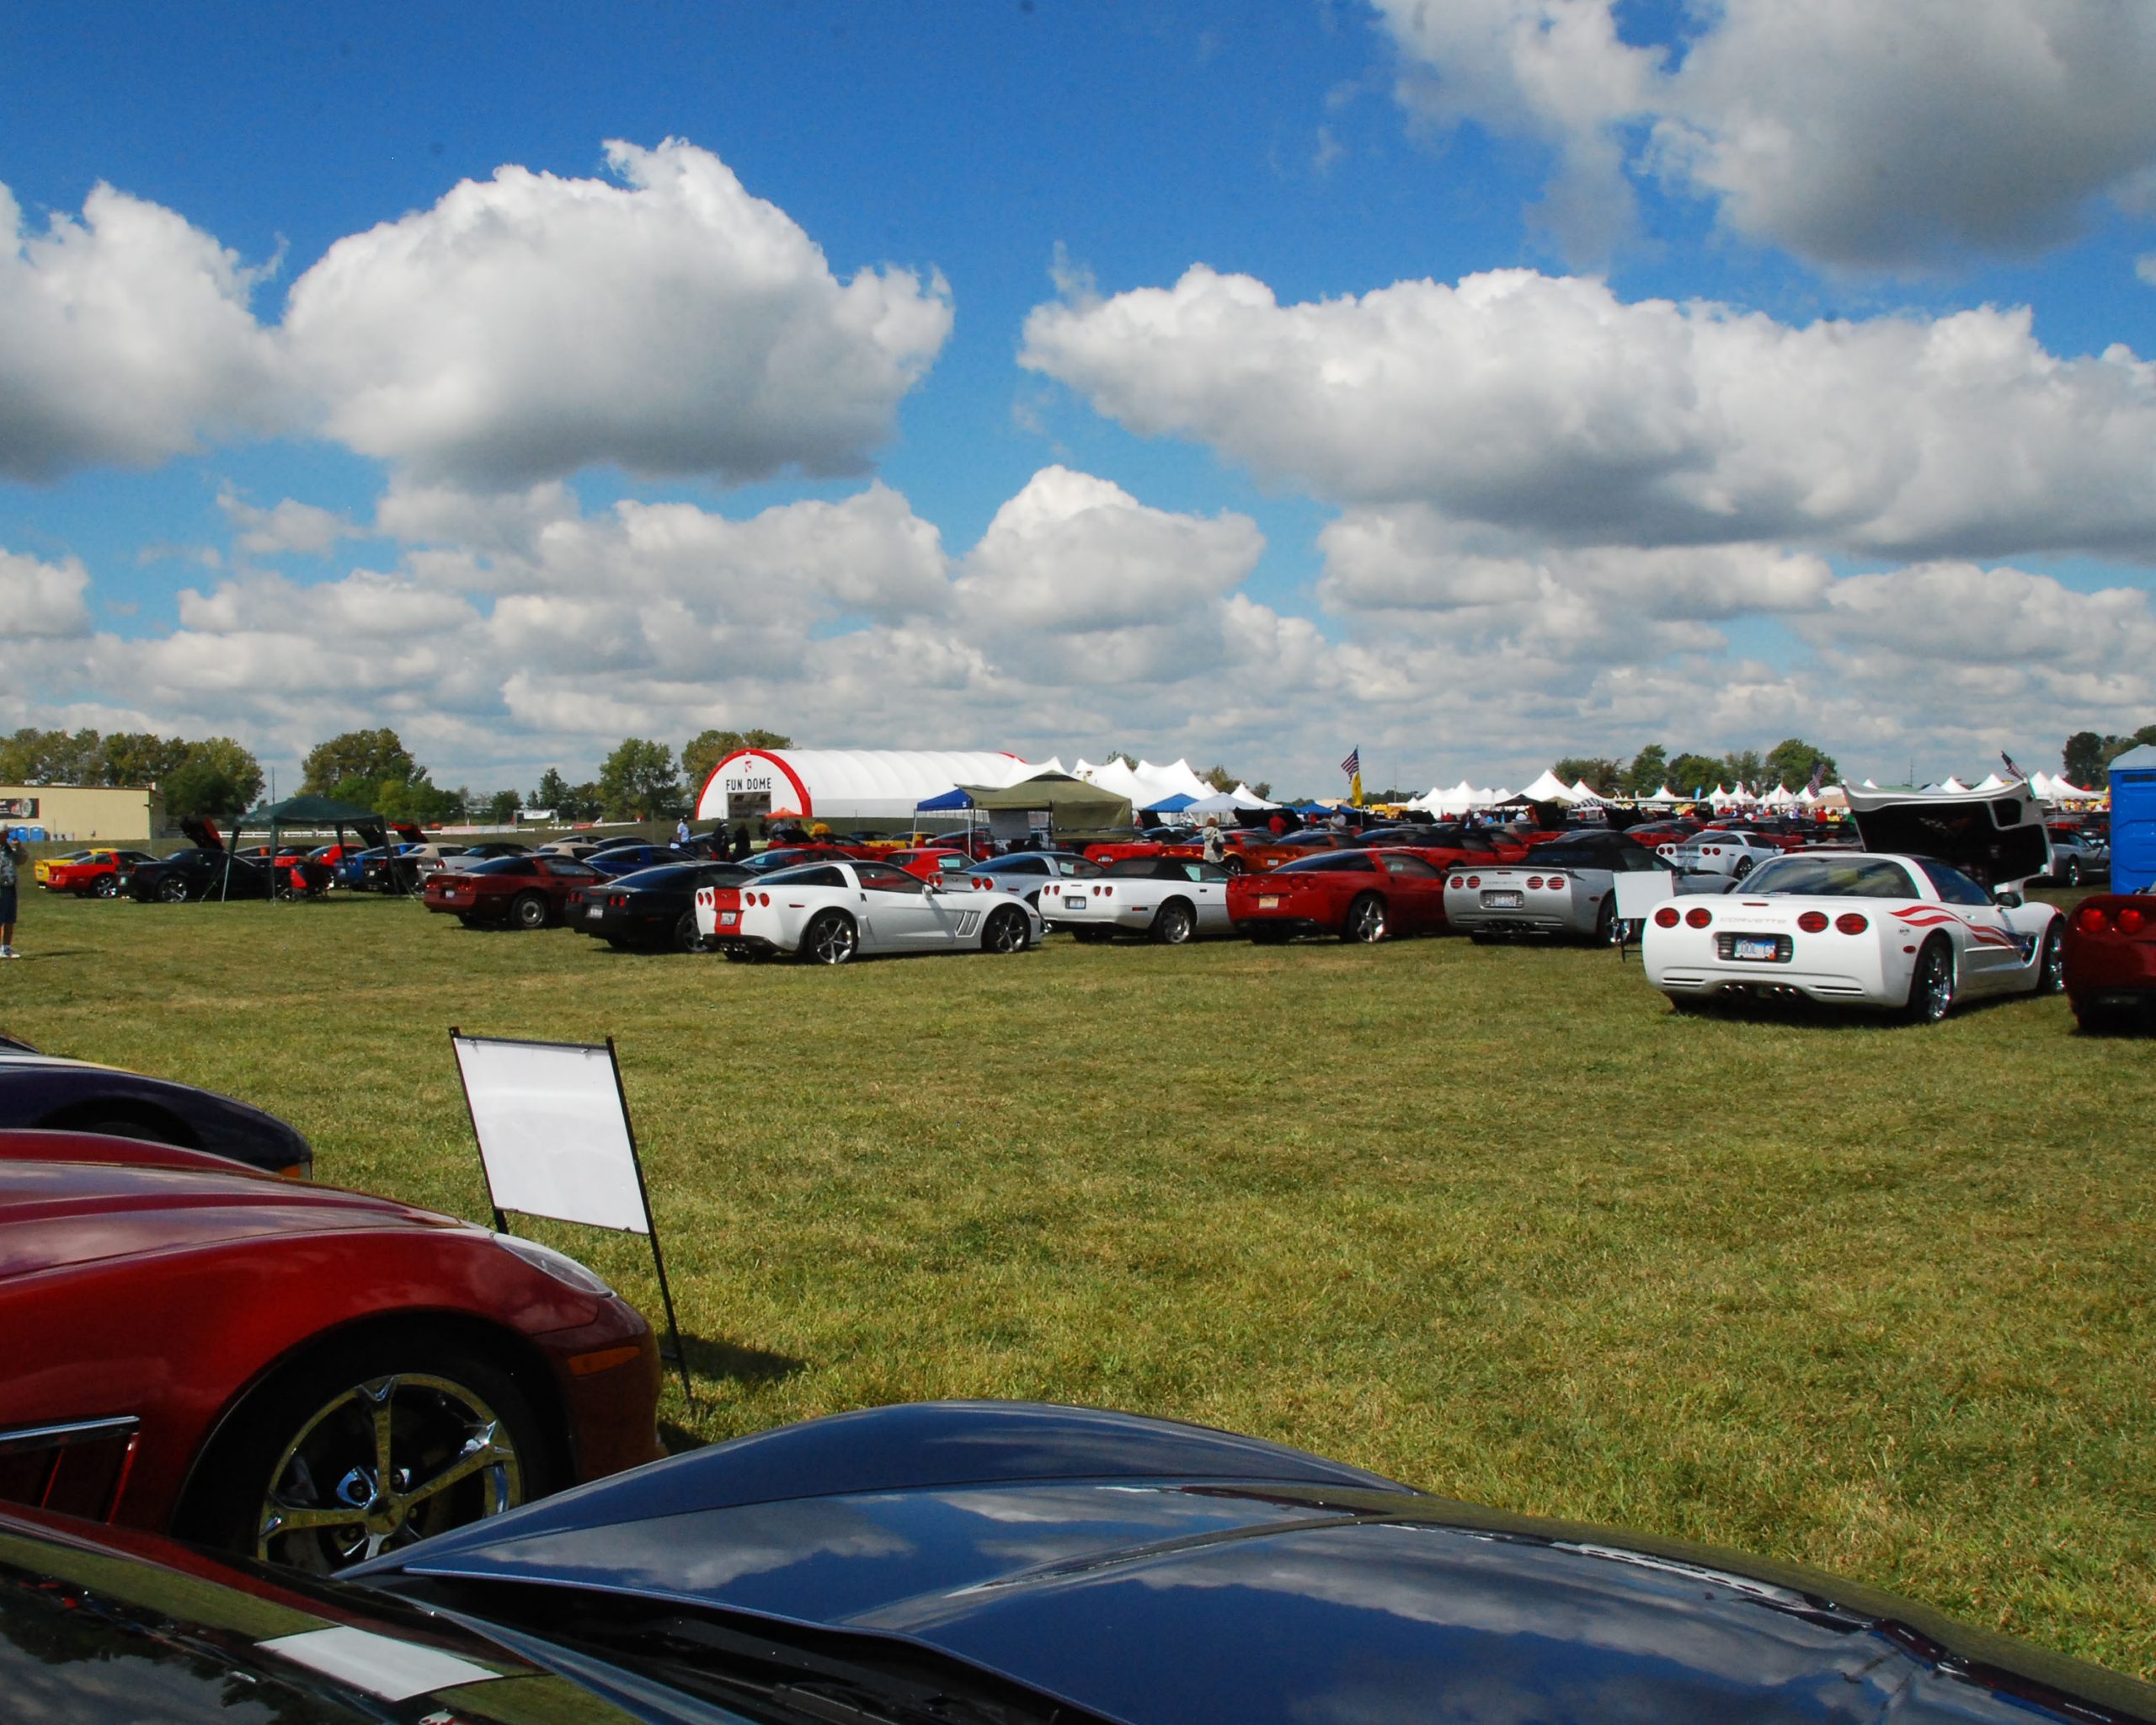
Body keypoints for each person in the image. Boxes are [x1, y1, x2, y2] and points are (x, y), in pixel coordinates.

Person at [0, 835, 19, 959]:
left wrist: (20, 848)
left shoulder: (9, 849)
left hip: (10, 886)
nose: (6, 836)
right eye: (4, 833)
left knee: (10, 919)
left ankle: (6, 948)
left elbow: (21, 860)